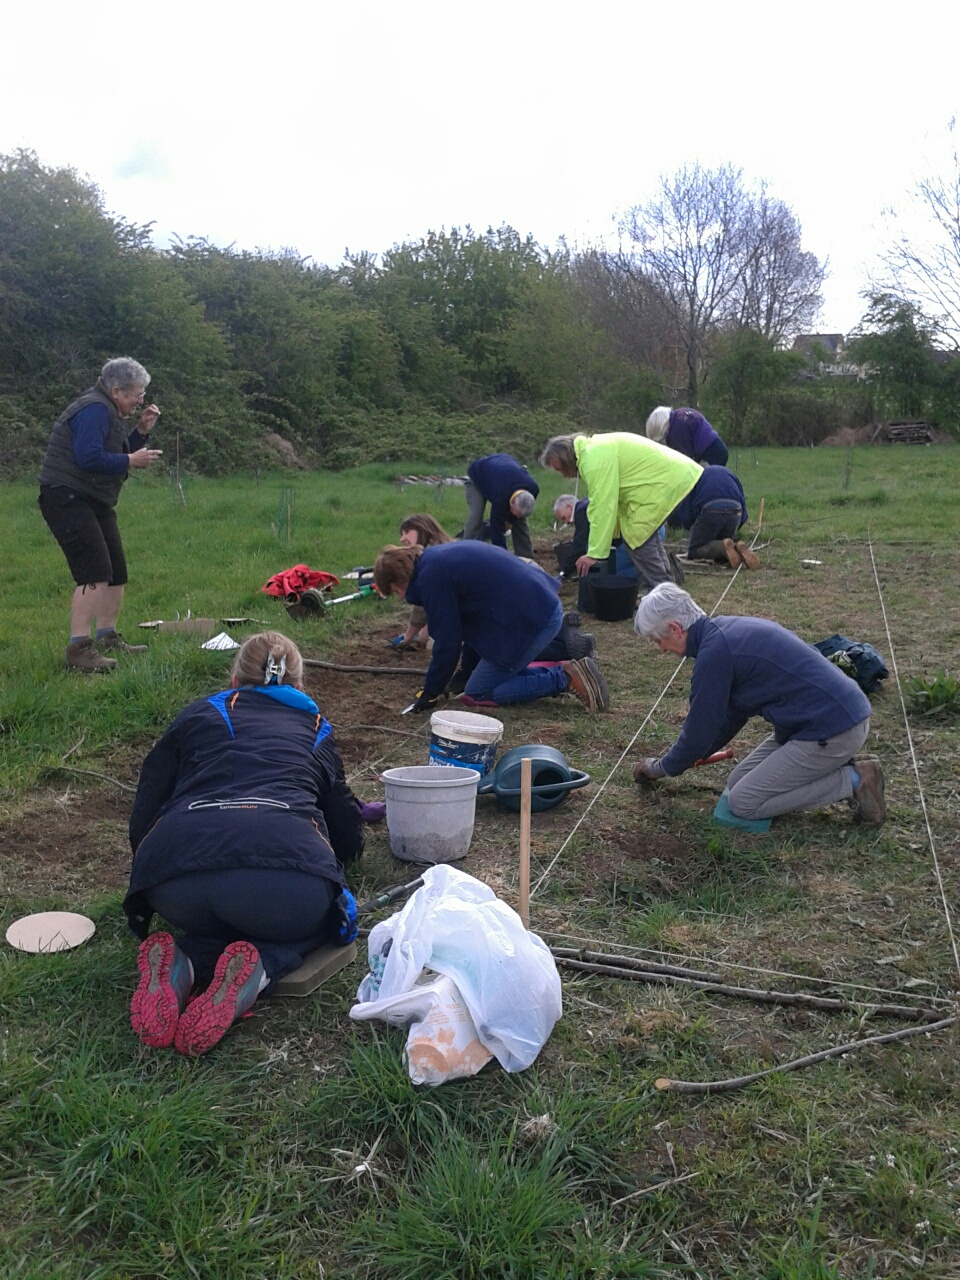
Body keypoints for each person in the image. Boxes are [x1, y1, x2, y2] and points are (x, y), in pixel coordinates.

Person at [124, 631, 365, 1056]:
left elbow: (148, 799)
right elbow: (344, 827)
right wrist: (345, 856)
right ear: (298, 685)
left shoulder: (199, 712)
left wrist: (149, 864)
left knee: (224, 910)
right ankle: (261, 969)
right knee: (327, 918)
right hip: (281, 886)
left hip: (176, 882)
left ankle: (188, 959)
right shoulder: (315, 728)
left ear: (234, 678)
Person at [631, 584, 886, 828]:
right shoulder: (725, 633)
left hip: (832, 729)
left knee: (744, 802)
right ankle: (831, 764)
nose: (661, 649)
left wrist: (661, 767)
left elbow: (698, 733)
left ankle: (855, 779)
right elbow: (729, 716)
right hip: (820, 721)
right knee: (736, 782)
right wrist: (688, 756)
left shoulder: (714, 655)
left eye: (657, 640)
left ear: (675, 629)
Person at [373, 542, 610, 712]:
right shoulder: (434, 562)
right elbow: (472, 624)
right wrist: (465, 672)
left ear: (398, 580)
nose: (399, 597)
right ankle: (568, 671)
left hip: (533, 619)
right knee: (477, 680)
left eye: (395, 591)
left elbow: (447, 642)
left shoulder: (431, 579)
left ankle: (565, 678)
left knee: (477, 693)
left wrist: (431, 692)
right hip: (534, 608)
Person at [38, 357, 164, 673]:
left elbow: (116, 453)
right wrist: (130, 461)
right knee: (93, 570)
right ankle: (78, 649)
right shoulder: (93, 409)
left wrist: (140, 432)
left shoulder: (106, 409)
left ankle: (107, 637)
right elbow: (89, 458)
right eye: (137, 394)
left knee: (115, 569)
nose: (141, 400)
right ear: (116, 390)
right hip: (67, 497)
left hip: (92, 499)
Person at [540, 432, 699, 592]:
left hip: (658, 485)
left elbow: (603, 505)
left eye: (561, 469)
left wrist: (594, 554)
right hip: (661, 483)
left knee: (636, 538)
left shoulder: (594, 460)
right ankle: (667, 593)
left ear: (566, 459)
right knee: (642, 539)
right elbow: (611, 501)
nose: (564, 476)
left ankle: (661, 598)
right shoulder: (594, 451)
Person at [671, 465, 760, 569]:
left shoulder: (696, 477)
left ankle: (722, 548)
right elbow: (743, 507)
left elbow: (686, 513)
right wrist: (739, 523)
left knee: (695, 550)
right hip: (735, 511)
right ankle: (736, 548)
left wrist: (692, 527)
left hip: (710, 510)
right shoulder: (729, 473)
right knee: (725, 549)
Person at [387, 514, 454, 649]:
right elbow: (434, 604)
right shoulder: (437, 551)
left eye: (407, 532)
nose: (402, 539)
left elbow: (424, 607)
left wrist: (408, 637)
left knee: (436, 644)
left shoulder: (433, 560)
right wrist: (420, 637)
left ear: (422, 530)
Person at [463, 453, 539, 557]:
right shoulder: (500, 497)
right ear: (511, 502)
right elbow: (496, 529)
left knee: (520, 522)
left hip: (500, 473)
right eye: (514, 513)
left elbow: (516, 515)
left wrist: (511, 519)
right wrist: (503, 556)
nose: (515, 516)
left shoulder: (533, 488)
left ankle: (525, 558)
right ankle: (466, 552)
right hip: (478, 477)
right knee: (475, 516)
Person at [645, 406, 729, 466]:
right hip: (718, 447)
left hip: (710, 455)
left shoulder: (675, 432)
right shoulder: (680, 414)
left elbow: (685, 460)